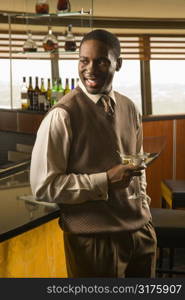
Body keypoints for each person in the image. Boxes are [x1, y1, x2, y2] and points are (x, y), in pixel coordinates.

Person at [30, 29, 157, 278]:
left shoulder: (130, 107)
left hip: (141, 234)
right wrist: (106, 180)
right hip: (94, 243)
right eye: (84, 60)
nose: (90, 69)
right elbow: (44, 187)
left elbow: (137, 168)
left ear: (117, 64)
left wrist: (146, 215)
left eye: (101, 61)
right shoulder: (62, 115)